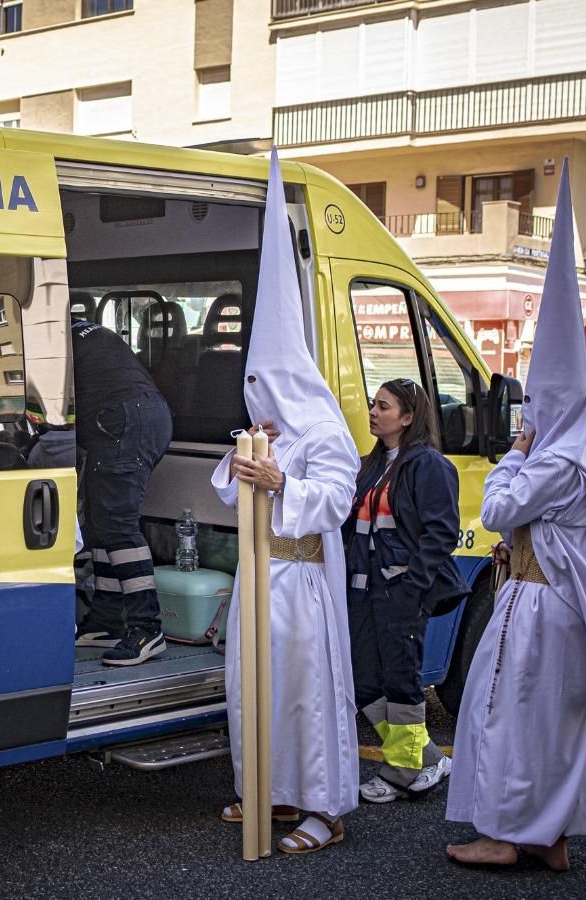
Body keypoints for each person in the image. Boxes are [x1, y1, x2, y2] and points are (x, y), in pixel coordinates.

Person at [446, 158, 586, 871]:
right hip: (566, 603)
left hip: (542, 605)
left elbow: (497, 508)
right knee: (556, 725)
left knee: (514, 717)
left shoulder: (557, 458)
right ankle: (549, 834)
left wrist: (516, 451)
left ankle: (508, 834)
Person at [212, 149, 360, 855]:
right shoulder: (267, 428)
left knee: (304, 694)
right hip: (256, 575)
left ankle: (321, 808)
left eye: (271, 385)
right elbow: (226, 484)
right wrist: (244, 457)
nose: (261, 400)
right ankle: (265, 790)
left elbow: (335, 499)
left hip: (299, 579)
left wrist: (282, 486)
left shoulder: (325, 428)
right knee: (251, 689)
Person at [345, 377, 465, 804]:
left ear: (409, 417)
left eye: (384, 406)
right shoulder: (371, 464)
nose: (374, 412)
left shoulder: (428, 465)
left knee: (401, 681)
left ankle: (401, 770)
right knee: (363, 680)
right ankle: (425, 757)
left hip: (399, 590)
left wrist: (413, 586)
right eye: (374, 405)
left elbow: (441, 532)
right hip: (363, 590)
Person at [70, 316, 173, 666]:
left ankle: (147, 628)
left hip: (123, 422)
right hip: (134, 417)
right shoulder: (77, 329)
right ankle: (108, 620)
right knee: (101, 524)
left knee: (117, 524)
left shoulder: (49, 340)